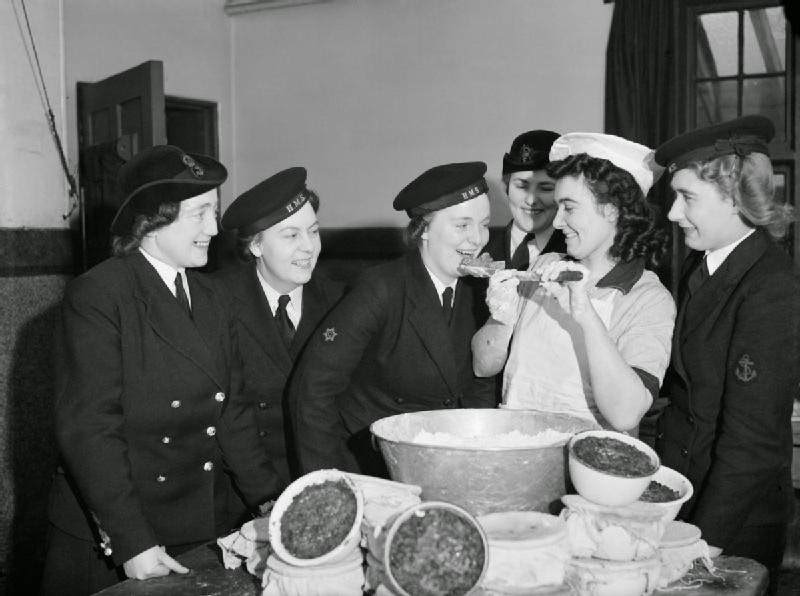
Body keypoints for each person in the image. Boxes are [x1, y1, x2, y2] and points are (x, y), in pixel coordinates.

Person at [41, 146, 279, 595]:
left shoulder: (213, 298)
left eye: (216, 211)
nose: (214, 228)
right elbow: (90, 428)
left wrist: (268, 502)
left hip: (197, 518)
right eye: (200, 213)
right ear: (153, 219)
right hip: (119, 530)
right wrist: (131, 540)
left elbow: (234, 415)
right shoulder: (98, 296)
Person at [654, 115, 800, 583]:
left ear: (735, 196)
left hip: (734, 522)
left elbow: (753, 441)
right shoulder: (706, 265)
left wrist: (701, 541)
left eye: (687, 197)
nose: (674, 213)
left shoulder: (772, 287)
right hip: (689, 497)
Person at [290, 162, 497, 475]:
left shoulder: (482, 291)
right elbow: (313, 390)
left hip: (448, 461)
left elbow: (481, 386)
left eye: (484, 224)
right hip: (372, 464)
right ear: (424, 229)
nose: (477, 239)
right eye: (462, 225)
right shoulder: (380, 288)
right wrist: (330, 479)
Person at [473, 133, 676, 432]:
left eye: (569, 207)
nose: (556, 222)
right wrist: (501, 316)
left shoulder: (647, 298)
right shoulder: (545, 265)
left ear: (612, 208)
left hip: (591, 467)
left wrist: (585, 315)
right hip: (516, 451)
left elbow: (626, 415)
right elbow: (483, 365)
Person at [214, 167, 345, 487]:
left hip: (323, 473)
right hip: (246, 485)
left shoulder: (339, 301)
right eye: (291, 235)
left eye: (313, 232)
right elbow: (231, 419)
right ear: (255, 246)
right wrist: (266, 496)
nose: (308, 247)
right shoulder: (218, 302)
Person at [484, 129, 566, 269]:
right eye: (522, 186)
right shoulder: (478, 246)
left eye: (545, 188)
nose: (531, 200)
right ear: (506, 186)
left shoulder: (578, 254)